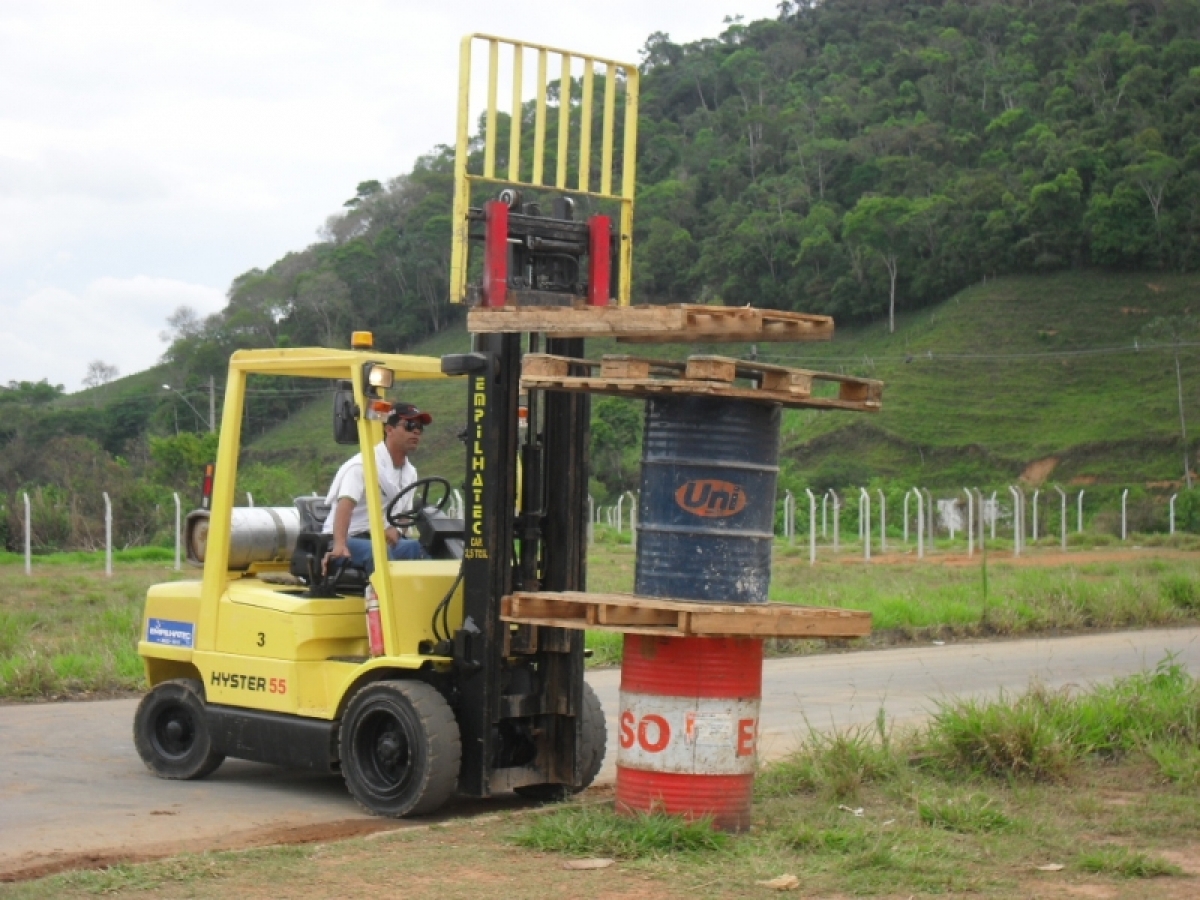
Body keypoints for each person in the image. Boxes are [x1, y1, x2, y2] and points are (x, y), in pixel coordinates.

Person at [321, 402, 433, 576]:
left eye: (419, 427)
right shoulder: (362, 465)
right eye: (410, 425)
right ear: (389, 430)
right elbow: (345, 506)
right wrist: (339, 545)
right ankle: (387, 602)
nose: (416, 431)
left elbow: (404, 514)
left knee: (423, 548)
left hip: (381, 540)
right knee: (380, 553)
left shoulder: (410, 473)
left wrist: (396, 531)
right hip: (351, 538)